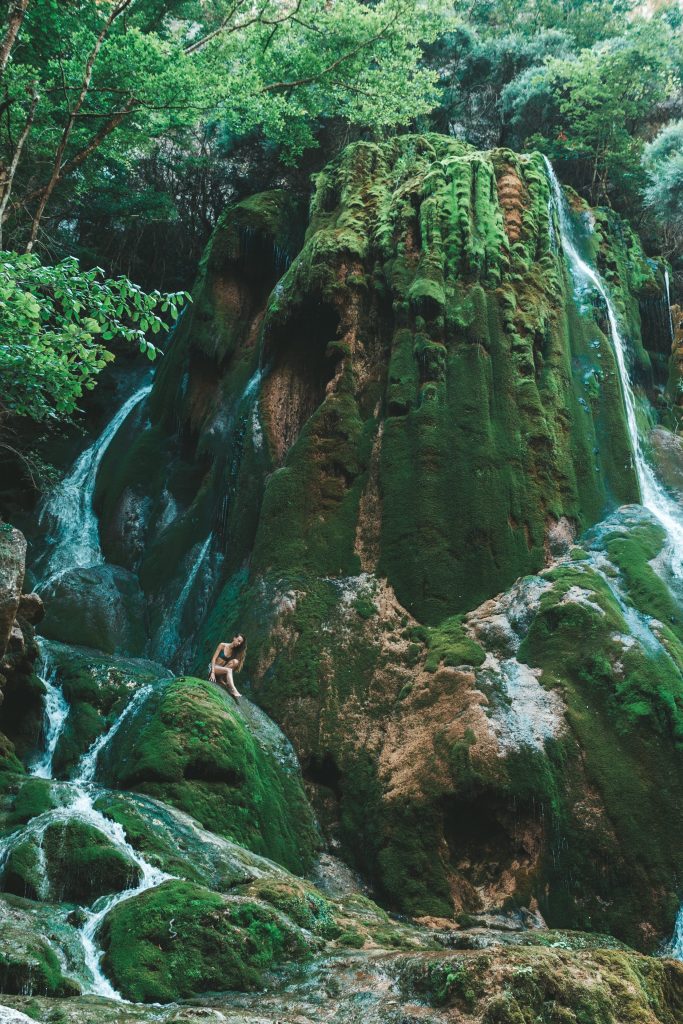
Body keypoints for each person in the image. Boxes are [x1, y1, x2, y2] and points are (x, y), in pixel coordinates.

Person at [209, 635, 247, 700]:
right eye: (238, 640)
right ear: (234, 638)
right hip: (214, 668)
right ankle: (233, 689)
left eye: (240, 643)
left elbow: (235, 664)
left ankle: (220, 679)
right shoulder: (222, 645)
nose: (238, 643)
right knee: (229, 670)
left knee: (236, 662)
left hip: (222, 670)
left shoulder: (234, 651)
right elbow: (213, 659)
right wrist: (212, 672)